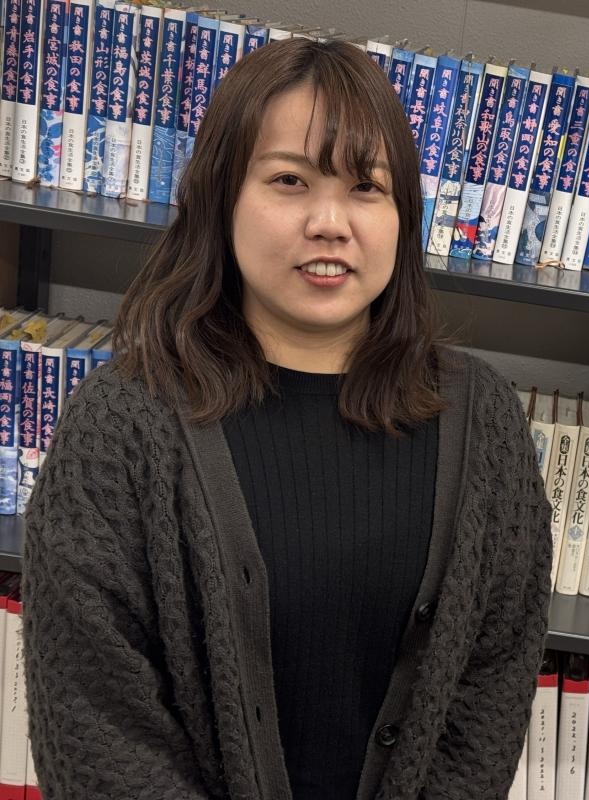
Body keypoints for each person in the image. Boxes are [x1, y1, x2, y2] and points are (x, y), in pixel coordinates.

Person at [22, 38, 552, 800]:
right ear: (221, 199)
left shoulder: (485, 422)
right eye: (289, 181)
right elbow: (95, 726)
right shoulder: (121, 426)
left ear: (403, 214)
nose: (330, 222)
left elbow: (490, 691)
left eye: (365, 187)